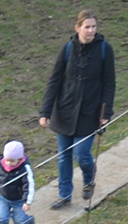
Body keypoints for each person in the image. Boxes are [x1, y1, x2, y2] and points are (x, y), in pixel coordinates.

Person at [40, 12, 115, 209]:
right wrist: (45, 111)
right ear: (77, 28)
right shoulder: (67, 49)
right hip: (64, 111)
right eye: (87, 27)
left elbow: (109, 83)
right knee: (64, 155)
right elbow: (54, 80)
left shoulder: (105, 50)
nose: (91, 31)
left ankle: (89, 177)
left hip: (90, 112)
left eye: (93, 27)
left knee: (81, 153)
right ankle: (64, 195)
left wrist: (106, 113)